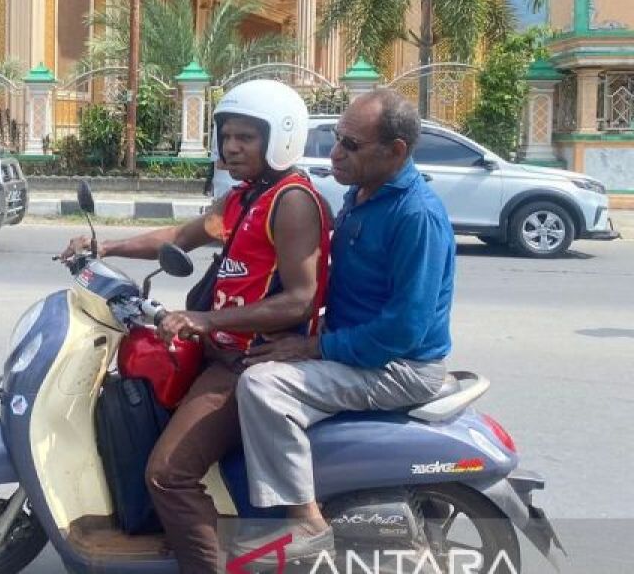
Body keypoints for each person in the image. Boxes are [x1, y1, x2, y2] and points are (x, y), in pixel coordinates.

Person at [60, 80, 331, 574]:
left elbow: (300, 299)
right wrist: (106, 249)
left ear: (280, 138)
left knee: (168, 474)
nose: (232, 146)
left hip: (245, 363)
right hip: (219, 350)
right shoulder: (245, 198)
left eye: (247, 136)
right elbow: (180, 237)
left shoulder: (291, 202)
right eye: (227, 135)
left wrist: (204, 319)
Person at [229, 88, 455, 566]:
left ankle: (306, 523)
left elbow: (403, 330)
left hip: (401, 365)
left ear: (395, 151)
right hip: (365, 347)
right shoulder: (362, 196)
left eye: (351, 145)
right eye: (337, 138)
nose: (335, 153)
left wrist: (313, 347)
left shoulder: (415, 214)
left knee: (263, 387)